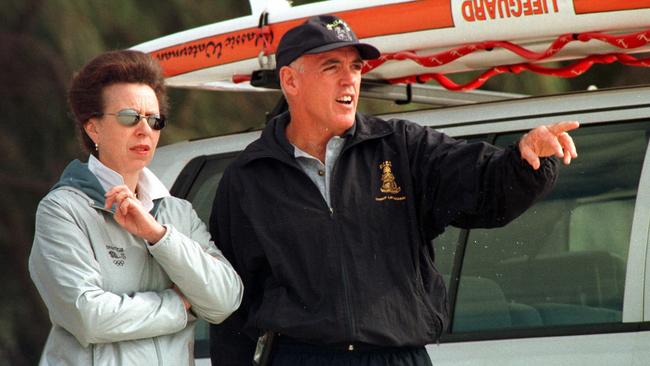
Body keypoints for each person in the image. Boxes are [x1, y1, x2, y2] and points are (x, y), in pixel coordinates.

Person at [209, 15, 578, 366]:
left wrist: (524, 161)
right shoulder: (248, 178)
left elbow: (483, 186)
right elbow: (229, 305)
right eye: (332, 67)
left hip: (398, 357)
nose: (349, 80)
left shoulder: (402, 147)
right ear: (290, 81)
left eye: (355, 67)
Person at [28, 50, 243, 366]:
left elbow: (226, 299)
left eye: (154, 120)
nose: (145, 130)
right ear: (93, 127)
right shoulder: (62, 211)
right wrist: (178, 305)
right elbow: (88, 317)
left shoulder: (176, 213)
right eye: (129, 117)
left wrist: (159, 236)